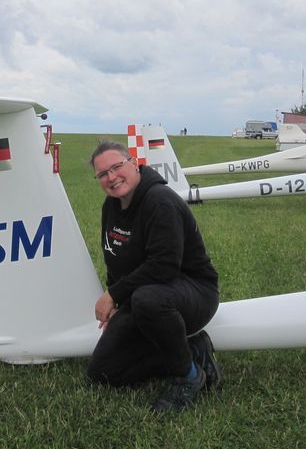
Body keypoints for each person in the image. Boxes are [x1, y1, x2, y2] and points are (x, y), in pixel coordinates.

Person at [86, 140, 221, 412]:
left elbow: (164, 266)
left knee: (148, 299)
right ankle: (193, 351)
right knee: (102, 372)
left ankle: (187, 376)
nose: (111, 177)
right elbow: (115, 259)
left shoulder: (160, 201)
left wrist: (113, 294)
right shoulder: (111, 206)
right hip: (145, 295)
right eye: (103, 174)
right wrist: (117, 303)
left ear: (134, 163)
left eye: (117, 167)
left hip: (194, 292)